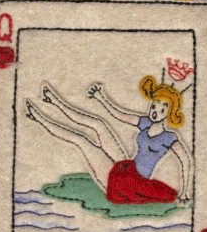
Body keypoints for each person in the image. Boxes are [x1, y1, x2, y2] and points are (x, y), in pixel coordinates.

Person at [25, 75, 192, 205]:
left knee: (82, 141)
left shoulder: (169, 137)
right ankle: (55, 101)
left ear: (170, 113)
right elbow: (119, 115)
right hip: (127, 167)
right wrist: (101, 98)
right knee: (99, 123)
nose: (156, 111)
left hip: (129, 184)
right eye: (155, 105)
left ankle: (39, 118)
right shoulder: (145, 123)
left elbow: (186, 161)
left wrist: (185, 191)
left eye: (163, 109)